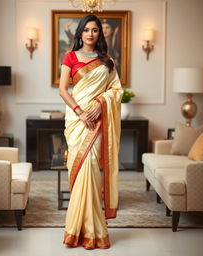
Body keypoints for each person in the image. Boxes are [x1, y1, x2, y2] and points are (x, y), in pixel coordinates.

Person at [59, 14, 123, 250]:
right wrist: (80, 112)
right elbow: (63, 90)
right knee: (80, 171)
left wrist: (99, 105)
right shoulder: (70, 57)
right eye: (86, 29)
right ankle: (77, 230)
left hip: (98, 121)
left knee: (92, 173)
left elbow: (116, 91)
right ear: (80, 33)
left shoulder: (107, 60)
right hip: (77, 121)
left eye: (95, 30)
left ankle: (94, 230)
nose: (90, 34)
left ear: (100, 33)